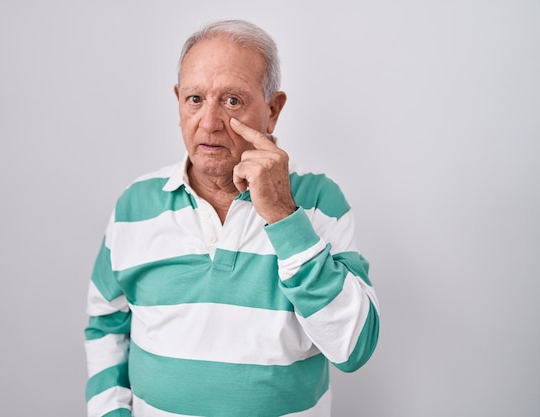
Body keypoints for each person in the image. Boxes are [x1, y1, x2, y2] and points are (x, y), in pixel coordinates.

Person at [84, 19, 380, 417]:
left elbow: (353, 347)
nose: (208, 122)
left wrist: (283, 215)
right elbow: (106, 324)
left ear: (273, 111)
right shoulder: (135, 205)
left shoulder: (318, 201)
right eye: (194, 99)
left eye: (232, 101)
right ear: (178, 102)